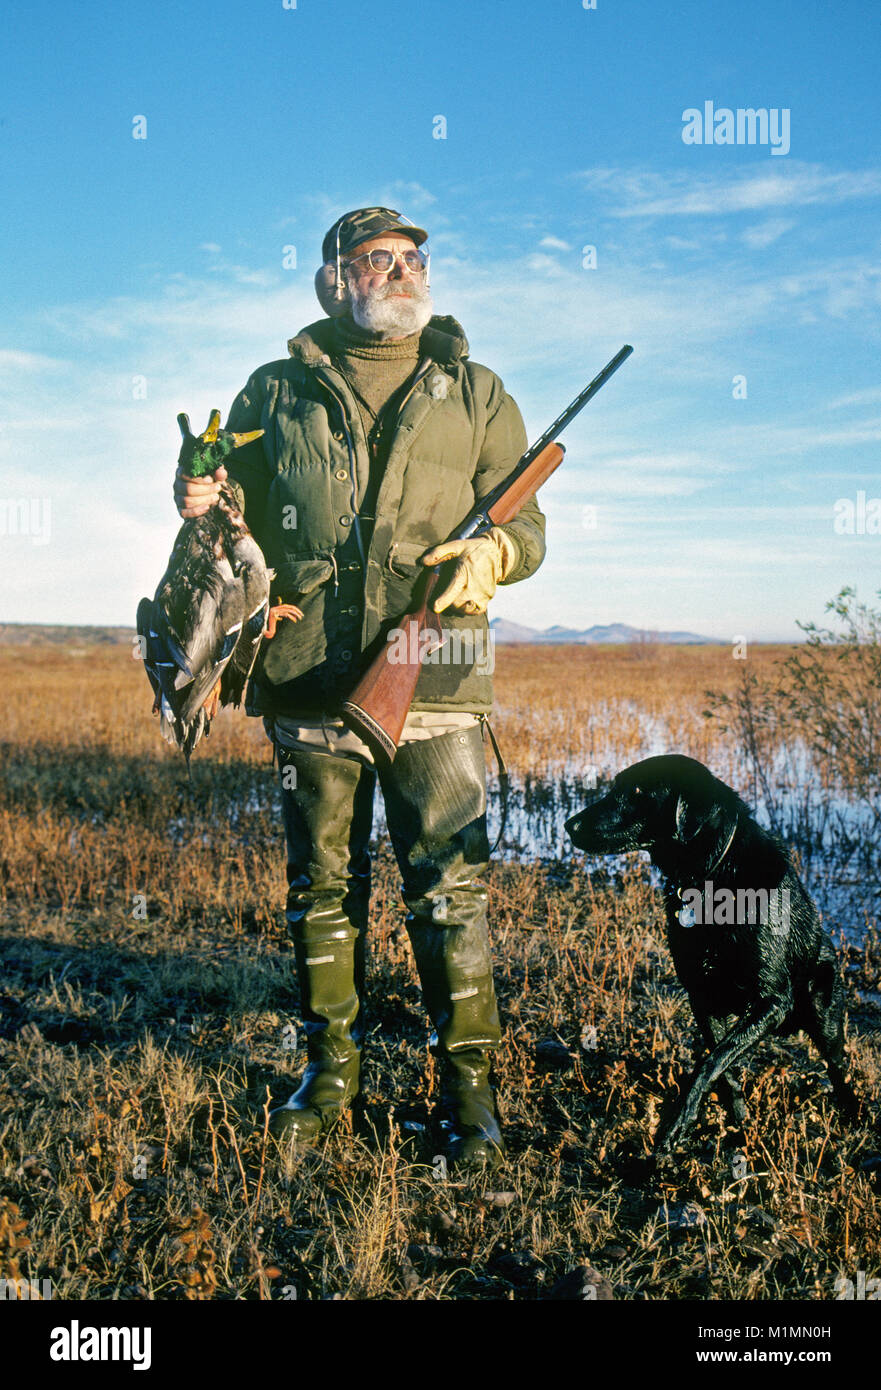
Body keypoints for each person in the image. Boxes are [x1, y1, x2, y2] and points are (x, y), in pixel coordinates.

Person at [174, 207, 546, 1167]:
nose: (401, 270)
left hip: (442, 669)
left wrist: (496, 551)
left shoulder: (477, 390)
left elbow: (533, 529)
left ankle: (469, 1101)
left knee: (450, 890)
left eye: (413, 257)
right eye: (377, 258)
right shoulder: (274, 386)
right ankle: (329, 1074)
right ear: (332, 278)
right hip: (305, 673)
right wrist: (194, 488)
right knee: (321, 887)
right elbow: (228, 508)